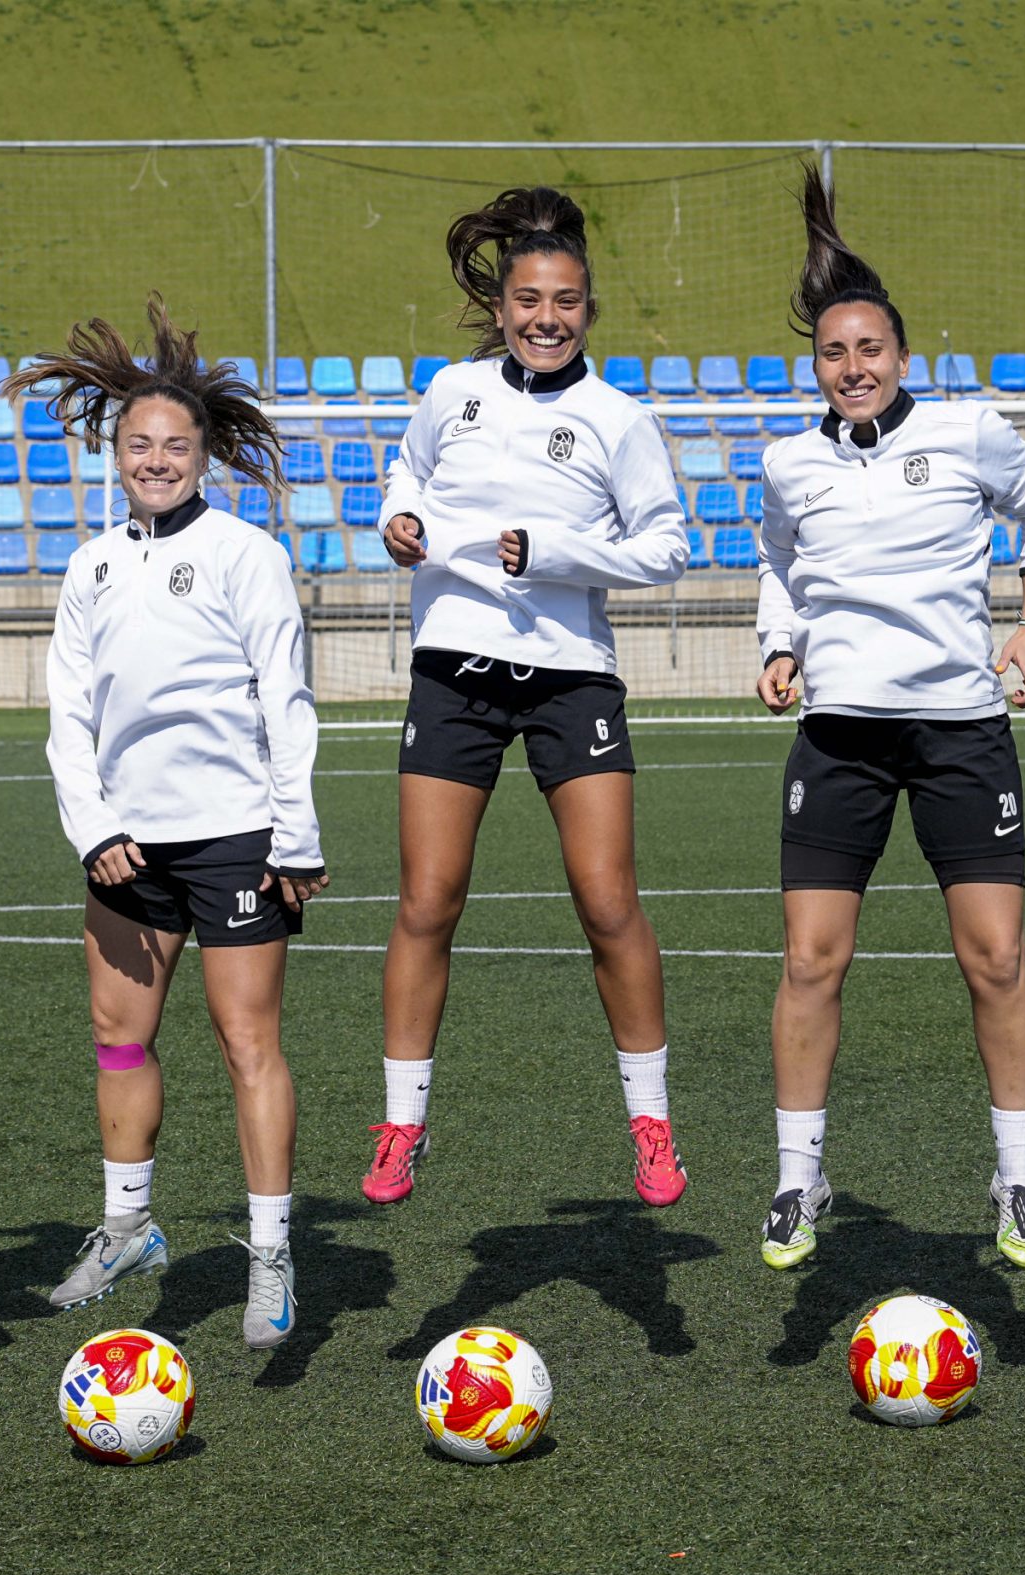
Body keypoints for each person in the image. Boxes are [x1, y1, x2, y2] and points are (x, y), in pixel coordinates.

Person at [752, 178, 1025, 1272]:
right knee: (810, 961)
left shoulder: (970, 433)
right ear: (818, 365)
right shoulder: (789, 462)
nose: (853, 367)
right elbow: (782, 560)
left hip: (957, 732)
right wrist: (779, 643)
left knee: (994, 957)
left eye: (870, 347)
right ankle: (799, 1176)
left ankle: (1017, 1173)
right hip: (839, 735)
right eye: (835, 352)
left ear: (900, 352)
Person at [366, 186, 692, 1209]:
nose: (545, 317)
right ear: (501, 305)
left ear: (588, 310)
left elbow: (668, 549)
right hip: (452, 667)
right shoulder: (450, 393)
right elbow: (403, 478)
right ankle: (400, 1128)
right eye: (527, 299)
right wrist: (399, 522)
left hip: (571, 676)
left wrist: (553, 555)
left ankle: (650, 1125)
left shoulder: (618, 419)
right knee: (428, 901)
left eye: (566, 301)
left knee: (606, 901)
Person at [22, 295, 327, 1350]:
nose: (155, 459)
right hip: (124, 843)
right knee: (119, 1039)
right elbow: (67, 712)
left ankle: (272, 1253)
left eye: (173, 444)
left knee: (248, 1043)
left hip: (235, 835)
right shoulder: (90, 567)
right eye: (138, 444)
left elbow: (284, 697)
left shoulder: (247, 555)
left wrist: (296, 835)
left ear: (205, 455)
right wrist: (91, 827)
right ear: (116, 453)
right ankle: (125, 1228)